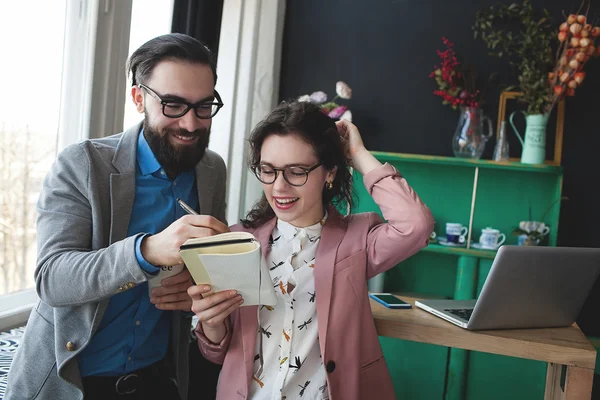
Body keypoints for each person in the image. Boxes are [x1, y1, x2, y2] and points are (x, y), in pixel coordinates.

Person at [6, 33, 229, 400]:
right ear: (139, 97)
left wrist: (198, 284)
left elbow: (205, 269)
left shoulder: (211, 170)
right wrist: (149, 251)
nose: (191, 124)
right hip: (70, 385)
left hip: (158, 382)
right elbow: (52, 279)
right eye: (173, 105)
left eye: (204, 106)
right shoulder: (82, 163)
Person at [188, 101, 434, 399]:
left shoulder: (356, 241)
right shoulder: (238, 242)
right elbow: (217, 353)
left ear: (329, 173)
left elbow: (416, 225)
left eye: (296, 172)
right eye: (268, 170)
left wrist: (357, 155)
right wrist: (212, 323)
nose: (279, 187)